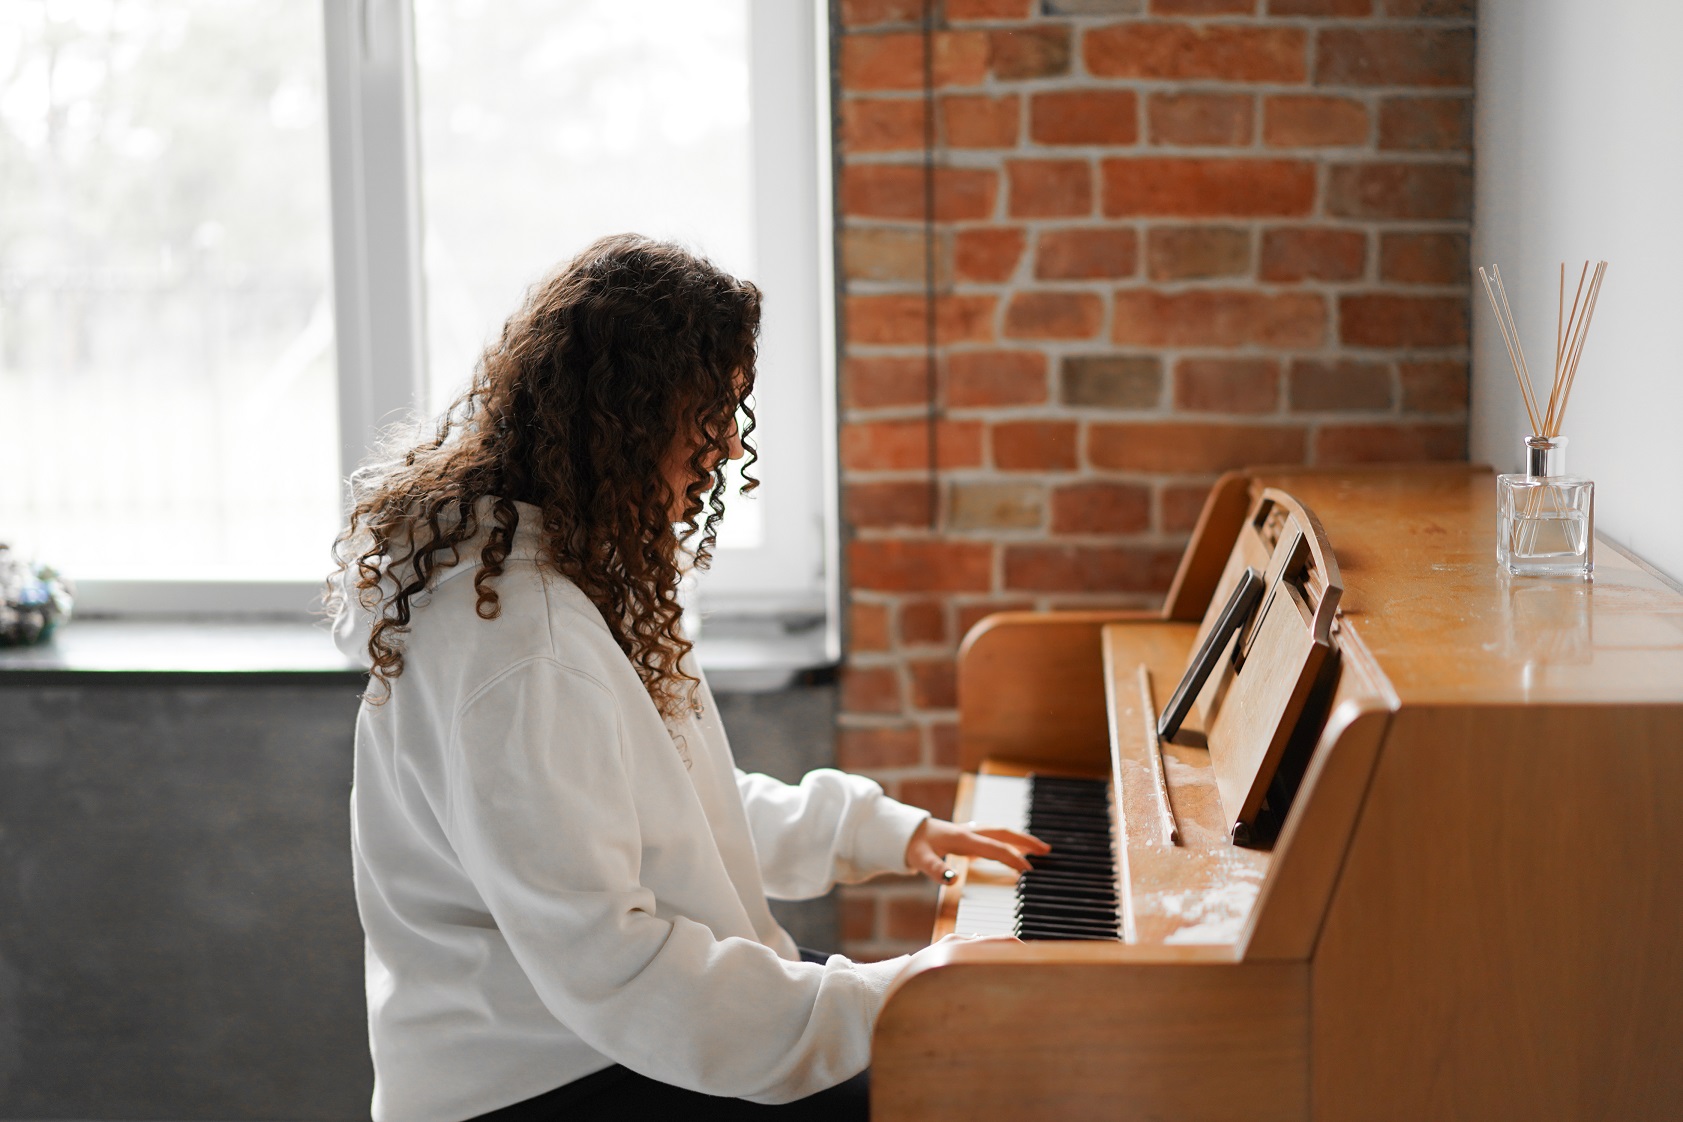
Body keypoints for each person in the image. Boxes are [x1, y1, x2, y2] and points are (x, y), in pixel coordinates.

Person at [327, 235, 1044, 1122]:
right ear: (624, 422)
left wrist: (881, 832)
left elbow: (668, 807)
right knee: (960, 1082)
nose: (719, 455)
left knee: (951, 1054)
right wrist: (902, 993)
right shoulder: (522, 644)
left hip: (606, 1028)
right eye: (707, 420)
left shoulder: (561, 564)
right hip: (540, 1076)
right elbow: (615, 968)